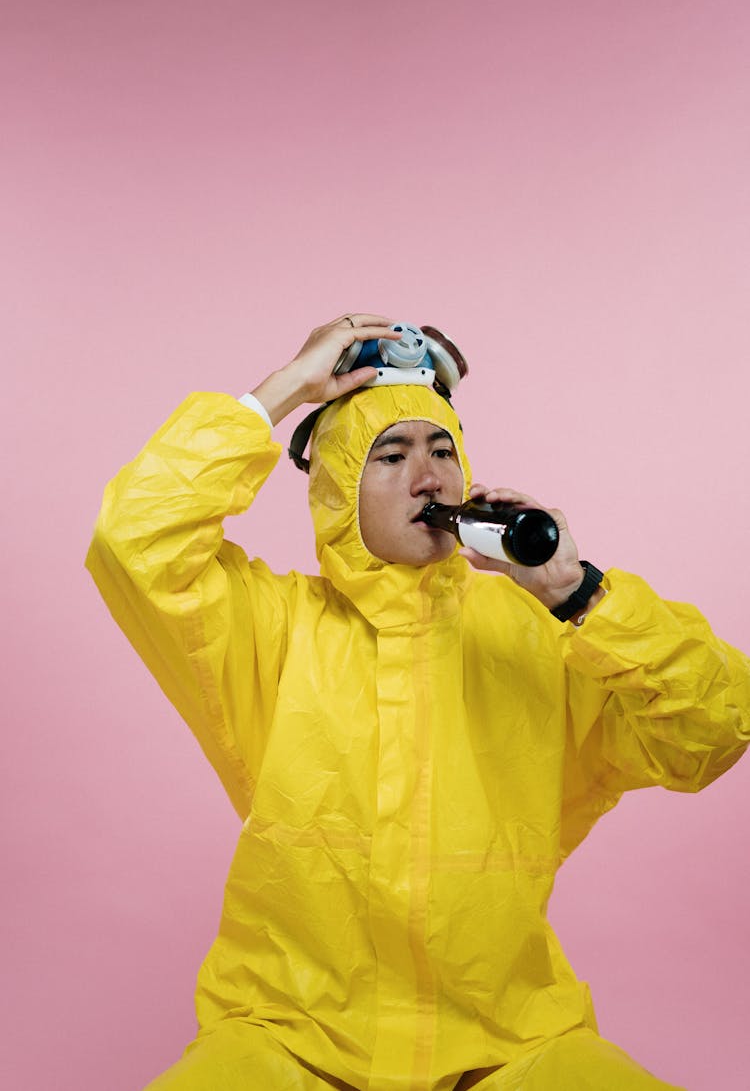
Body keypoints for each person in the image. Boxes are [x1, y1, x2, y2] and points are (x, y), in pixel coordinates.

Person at [86, 313, 750, 1091]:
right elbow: (133, 537)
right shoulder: (270, 628)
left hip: (508, 1045)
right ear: (335, 486)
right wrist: (286, 389)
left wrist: (581, 598)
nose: (428, 476)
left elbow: (715, 724)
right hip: (290, 1039)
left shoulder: (540, 633)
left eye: (443, 451)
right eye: (391, 455)